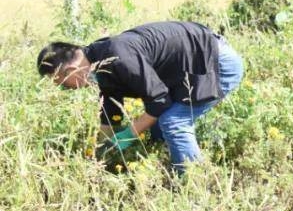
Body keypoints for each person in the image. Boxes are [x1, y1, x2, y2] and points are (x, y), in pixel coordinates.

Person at [37, 21, 244, 175]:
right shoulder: (100, 61)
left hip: (215, 63)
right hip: (187, 70)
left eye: (63, 85)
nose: (68, 90)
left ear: (71, 70)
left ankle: (194, 183)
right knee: (155, 126)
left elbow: (160, 101)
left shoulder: (119, 57)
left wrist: (129, 134)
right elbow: (110, 112)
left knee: (173, 122)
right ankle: (166, 163)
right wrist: (101, 151)